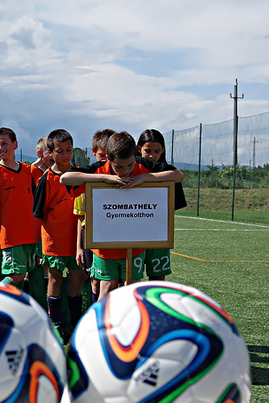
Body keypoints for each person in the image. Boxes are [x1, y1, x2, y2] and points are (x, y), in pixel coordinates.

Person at [61, 131, 184, 300]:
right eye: (119, 167)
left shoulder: (143, 166)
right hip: (104, 244)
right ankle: (101, 317)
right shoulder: (100, 169)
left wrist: (144, 178)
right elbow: (65, 178)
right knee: (106, 286)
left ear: (135, 157)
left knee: (132, 287)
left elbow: (178, 176)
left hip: (134, 244)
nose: (125, 171)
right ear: (109, 159)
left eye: (129, 165)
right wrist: (105, 179)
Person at [33, 129, 85, 339]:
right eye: (60, 151)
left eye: (69, 150)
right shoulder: (46, 179)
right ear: (50, 153)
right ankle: (55, 325)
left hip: (77, 240)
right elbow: (38, 214)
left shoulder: (81, 174)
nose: (65, 155)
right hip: (54, 241)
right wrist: (39, 245)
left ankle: (74, 324)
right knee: (55, 279)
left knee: (77, 278)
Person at [0, 127, 40, 290]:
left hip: (30, 234)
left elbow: (34, 202)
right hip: (10, 236)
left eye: (4, 144)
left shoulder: (26, 170)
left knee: (26, 275)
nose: (0, 148)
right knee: (16, 275)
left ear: (15, 144)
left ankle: (13, 305)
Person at [137, 128, 187, 281]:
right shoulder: (130, 168)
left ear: (163, 150)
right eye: (147, 151)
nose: (152, 155)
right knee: (129, 278)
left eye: (157, 151)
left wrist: (145, 178)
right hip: (133, 229)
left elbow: (179, 176)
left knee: (157, 276)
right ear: (139, 149)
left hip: (158, 230)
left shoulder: (165, 169)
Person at [74, 129, 114, 303]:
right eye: (102, 155)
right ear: (93, 152)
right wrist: (79, 247)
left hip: (113, 234)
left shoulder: (120, 179)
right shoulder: (87, 181)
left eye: (109, 156)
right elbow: (80, 218)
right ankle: (94, 311)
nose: (105, 160)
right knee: (95, 281)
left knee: (115, 281)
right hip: (90, 235)